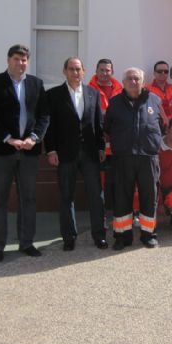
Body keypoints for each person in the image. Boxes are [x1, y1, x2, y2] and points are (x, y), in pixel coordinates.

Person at [0, 44, 50, 262]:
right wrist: (8, 138)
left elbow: (44, 116)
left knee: (28, 198)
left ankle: (26, 242)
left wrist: (34, 138)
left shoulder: (36, 84)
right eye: (17, 59)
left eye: (24, 59)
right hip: (1, 151)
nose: (21, 63)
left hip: (29, 151)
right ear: (8, 60)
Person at [45, 57, 107, 251]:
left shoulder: (93, 94)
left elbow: (98, 123)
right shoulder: (53, 95)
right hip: (65, 153)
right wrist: (51, 150)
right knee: (66, 195)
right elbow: (49, 126)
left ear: (84, 71)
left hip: (90, 153)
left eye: (78, 69)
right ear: (64, 71)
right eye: (71, 69)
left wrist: (101, 147)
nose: (75, 72)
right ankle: (69, 237)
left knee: (96, 195)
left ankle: (99, 235)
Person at [104, 67, 163, 250]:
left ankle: (148, 235)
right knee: (121, 197)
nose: (133, 81)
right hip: (123, 157)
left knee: (149, 196)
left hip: (148, 157)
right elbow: (107, 127)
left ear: (143, 82)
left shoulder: (155, 100)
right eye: (129, 78)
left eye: (137, 78)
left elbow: (161, 125)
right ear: (123, 82)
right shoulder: (114, 102)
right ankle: (122, 236)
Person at [88, 58, 122, 209]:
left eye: (107, 70)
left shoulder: (121, 90)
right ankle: (98, 214)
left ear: (112, 72)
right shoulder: (88, 90)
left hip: (117, 145)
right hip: (98, 145)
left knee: (119, 181)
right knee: (97, 183)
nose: (104, 73)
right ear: (96, 71)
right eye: (101, 70)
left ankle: (120, 212)